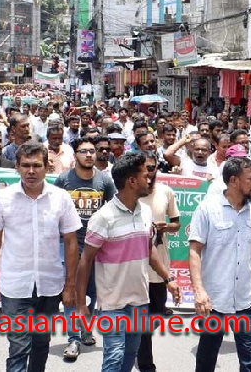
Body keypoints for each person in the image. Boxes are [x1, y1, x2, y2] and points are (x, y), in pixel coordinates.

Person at [75, 153, 181, 372]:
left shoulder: (145, 212)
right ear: (132, 181)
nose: (150, 178)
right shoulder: (103, 217)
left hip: (140, 301)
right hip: (113, 305)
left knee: (131, 353)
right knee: (114, 358)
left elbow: (148, 248)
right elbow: (85, 260)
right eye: (145, 174)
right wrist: (81, 303)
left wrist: (167, 279)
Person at [0, 142, 82, 372]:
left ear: (46, 167)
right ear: (16, 167)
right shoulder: (2, 198)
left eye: (36, 165)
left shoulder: (61, 198)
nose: (31, 171)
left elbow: (70, 242)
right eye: (25, 165)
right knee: (18, 346)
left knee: (40, 342)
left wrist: (70, 286)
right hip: (15, 286)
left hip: (50, 285)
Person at [188, 156, 251, 372]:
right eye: (250, 178)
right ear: (233, 181)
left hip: (246, 299)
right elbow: (194, 251)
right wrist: (199, 291)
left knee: (250, 360)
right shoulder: (207, 209)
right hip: (215, 300)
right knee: (207, 356)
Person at [54, 137, 116, 361]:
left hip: (97, 246)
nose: (89, 155)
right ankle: (73, 338)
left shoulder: (105, 181)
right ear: (75, 155)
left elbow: (113, 209)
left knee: (92, 292)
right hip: (69, 244)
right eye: (84, 151)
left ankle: (86, 329)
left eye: (92, 151)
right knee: (70, 291)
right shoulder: (63, 180)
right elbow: (54, 210)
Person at [136, 151, 181, 372]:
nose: (148, 173)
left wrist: (166, 227)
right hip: (134, 264)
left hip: (160, 262)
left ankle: (138, 343)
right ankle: (145, 363)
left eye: (152, 168)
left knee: (155, 313)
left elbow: (177, 224)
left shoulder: (166, 192)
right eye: (144, 168)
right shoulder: (129, 192)